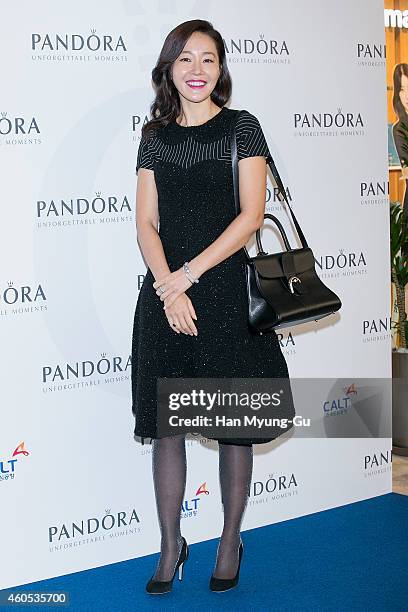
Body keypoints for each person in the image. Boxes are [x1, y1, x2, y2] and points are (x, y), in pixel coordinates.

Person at [131, 19, 295, 594]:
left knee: (233, 428)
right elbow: (145, 223)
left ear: (221, 68)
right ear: (169, 69)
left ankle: (230, 541)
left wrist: (188, 278)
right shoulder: (154, 136)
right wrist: (167, 287)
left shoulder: (242, 129)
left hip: (225, 298)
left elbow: (251, 216)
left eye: (208, 59)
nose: (197, 70)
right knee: (168, 428)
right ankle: (171, 544)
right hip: (165, 299)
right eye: (186, 60)